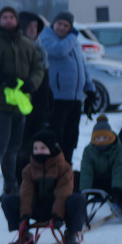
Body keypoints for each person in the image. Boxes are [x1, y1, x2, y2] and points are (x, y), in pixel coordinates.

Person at [0, 5, 45, 202]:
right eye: (4, 17)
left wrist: (32, 83)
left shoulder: (26, 44)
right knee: (0, 146)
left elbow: (38, 67)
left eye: (11, 17)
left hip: (20, 103)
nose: (8, 20)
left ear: (16, 21)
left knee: (14, 147)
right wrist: (0, 76)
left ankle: (11, 186)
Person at [1, 129, 85, 244]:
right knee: (8, 200)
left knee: (78, 199)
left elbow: (63, 192)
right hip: (38, 208)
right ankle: (24, 234)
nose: (38, 152)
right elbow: (26, 193)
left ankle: (71, 233)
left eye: (42, 148)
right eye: (36, 148)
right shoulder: (29, 170)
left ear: (51, 149)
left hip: (59, 210)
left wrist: (58, 215)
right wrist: (24, 216)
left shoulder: (64, 168)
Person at [39, 11, 96, 165]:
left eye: (66, 25)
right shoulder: (46, 37)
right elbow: (59, 51)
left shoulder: (73, 42)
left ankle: (67, 168)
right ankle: (53, 167)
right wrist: (72, 36)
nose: (62, 28)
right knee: (57, 136)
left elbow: (82, 66)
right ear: (53, 24)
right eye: (60, 24)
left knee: (71, 137)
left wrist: (89, 89)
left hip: (75, 98)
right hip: (57, 98)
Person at [15, 12, 53, 183]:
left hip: (41, 99)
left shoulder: (39, 46)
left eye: (36, 26)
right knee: (23, 139)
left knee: (37, 136)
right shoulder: (18, 47)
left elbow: (44, 74)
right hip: (24, 99)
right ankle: (20, 174)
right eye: (29, 26)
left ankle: (35, 169)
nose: (33, 29)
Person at [79, 115, 122, 220]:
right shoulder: (88, 150)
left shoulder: (118, 149)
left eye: (105, 137)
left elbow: (118, 170)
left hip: (114, 183)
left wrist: (115, 193)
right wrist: (84, 193)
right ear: (93, 138)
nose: (101, 141)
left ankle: (120, 204)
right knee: (74, 176)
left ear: (110, 136)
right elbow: (86, 172)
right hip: (95, 182)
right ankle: (78, 208)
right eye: (98, 138)